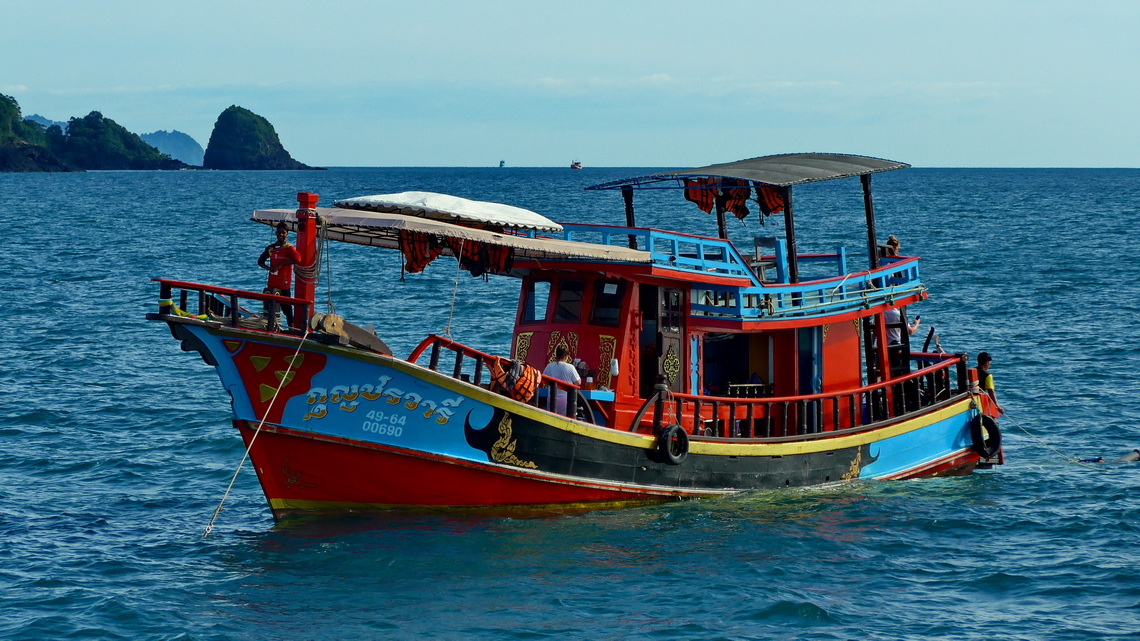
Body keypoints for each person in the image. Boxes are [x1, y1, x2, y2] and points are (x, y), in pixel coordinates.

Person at [258, 222, 302, 328]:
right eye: (279, 232)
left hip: (284, 285)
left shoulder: (289, 248)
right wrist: (269, 268)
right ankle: (270, 328)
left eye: (283, 232)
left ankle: (292, 329)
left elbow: (298, 259)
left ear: (287, 234)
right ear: (276, 233)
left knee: (287, 309)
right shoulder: (271, 248)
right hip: (272, 284)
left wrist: (281, 265)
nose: (281, 234)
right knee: (270, 309)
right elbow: (260, 261)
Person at [542, 345, 581, 416]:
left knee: (551, 417)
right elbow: (578, 382)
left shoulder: (549, 366)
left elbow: (544, 380)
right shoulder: (570, 367)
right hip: (565, 399)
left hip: (551, 398)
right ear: (566, 357)